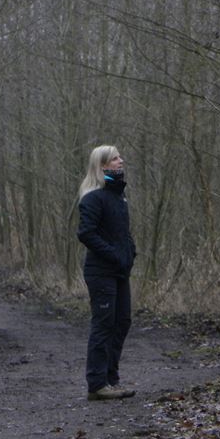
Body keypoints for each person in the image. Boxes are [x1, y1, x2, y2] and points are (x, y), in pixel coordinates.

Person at [77, 145, 137, 401]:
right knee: (104, 325)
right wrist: (114, 254)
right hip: (100, 271)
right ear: (102, 166)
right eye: (115, 158)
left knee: (122, 322)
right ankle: (97, 384)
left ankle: (111, 380)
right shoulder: (93, 197)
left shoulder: (118, 196)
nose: (120, 160)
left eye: (119, 156)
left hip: (119, 271)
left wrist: (130, 252)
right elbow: (86, 233)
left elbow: (121, 233)